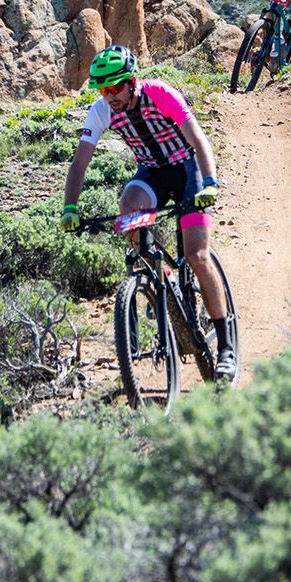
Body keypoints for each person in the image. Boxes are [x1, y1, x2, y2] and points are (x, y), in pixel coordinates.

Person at [59, 45, 238, 380]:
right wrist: (70, 206)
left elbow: (199, 141)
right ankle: (158, 284)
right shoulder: (101, 111)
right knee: (128, 206)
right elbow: (80, 163)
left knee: (198, 256)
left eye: (115, 88)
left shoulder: (161, 94)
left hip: (188, 169)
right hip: (152, 173)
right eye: (103, 89)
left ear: (132, 81)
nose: (109, 96)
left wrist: (209, 183)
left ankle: (226, 346)